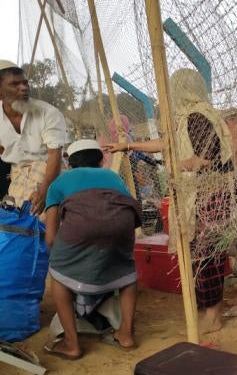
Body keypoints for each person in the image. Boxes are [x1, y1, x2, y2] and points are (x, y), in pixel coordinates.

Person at [106, 69, 235, 333]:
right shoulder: (188, 117)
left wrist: (176, 166)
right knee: (199, 255)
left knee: (206, 255)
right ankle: (207, 311)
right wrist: (128, 147)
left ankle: (213, 316)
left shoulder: (198, 117)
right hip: (199, 194)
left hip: (207, 195)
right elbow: (166, 143)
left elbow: (207, 159)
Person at [42, 139, 142, 360]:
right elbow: (117, 212)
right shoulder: (113, 177)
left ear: (70, 163)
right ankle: (126, 334)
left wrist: (61, 261)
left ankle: (71, 344)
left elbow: (50, 237)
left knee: (58, 275)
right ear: (100, 160)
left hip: (81, 228)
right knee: (126, 273)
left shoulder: (59, 182)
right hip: (123, 226)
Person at [0, 60, 66, 215]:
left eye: (25, 83)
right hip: (18, 176)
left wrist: (44, 192)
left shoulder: (48, 113)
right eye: (14, 84)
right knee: (16, 221)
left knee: (40, 222)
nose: (23, 88)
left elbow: (54, 157)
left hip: (48, 174)